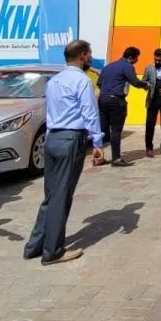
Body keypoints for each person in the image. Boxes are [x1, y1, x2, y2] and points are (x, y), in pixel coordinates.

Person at [24, 39, 102, 265]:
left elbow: (50, 110)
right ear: (83, 55)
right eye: (89, 54)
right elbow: (89, 112)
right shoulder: (82, 81)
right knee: (61, 195)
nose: (90, 58)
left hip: (53, 137)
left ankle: (34, 245)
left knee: (50, 195)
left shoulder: (54, 81)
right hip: (70, 138)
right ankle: (53, 251)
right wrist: (97, 142)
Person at [96, 46, 149, 167]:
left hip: (103, 100)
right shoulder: (127, 66)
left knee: (103, 131)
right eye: (137, 58)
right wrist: (146, 84)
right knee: (116, 131)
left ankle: (98, 156)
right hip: (116, 101)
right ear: (131, 57)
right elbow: (135, 82)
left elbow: (99, 83)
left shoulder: (108, 66)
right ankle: (116, 158)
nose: (137, 60)